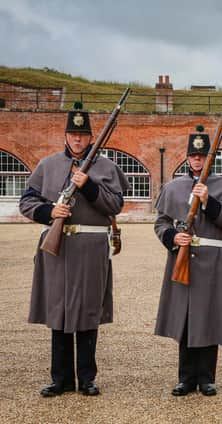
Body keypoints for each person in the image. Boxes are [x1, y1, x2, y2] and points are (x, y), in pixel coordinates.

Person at [19, 102, 129, 397]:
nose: (78, 139)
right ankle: (61, 379)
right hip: (57, 248)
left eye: (83, 134)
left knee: (87, 313)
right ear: (65, 135)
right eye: (73, 133)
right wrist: (49, 212)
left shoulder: (106, 168)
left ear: (91, 137)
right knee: (58, 312)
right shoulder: (48, 164)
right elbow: (27, 202)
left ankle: (87, 378)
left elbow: (116, 205)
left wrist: (89, 186)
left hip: (91, 249)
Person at [154, 125, 222, 397]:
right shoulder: (174, 187)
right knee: (184, 317)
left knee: (208, 317)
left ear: (209, 158)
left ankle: (207, 377)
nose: (197, 159)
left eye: (202, 155)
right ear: (188, 157)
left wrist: (209, 201)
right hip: (181, 257)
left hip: (209, 259)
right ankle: (186, 377)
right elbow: (161, 223)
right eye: (193, 155)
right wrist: (172, 237)